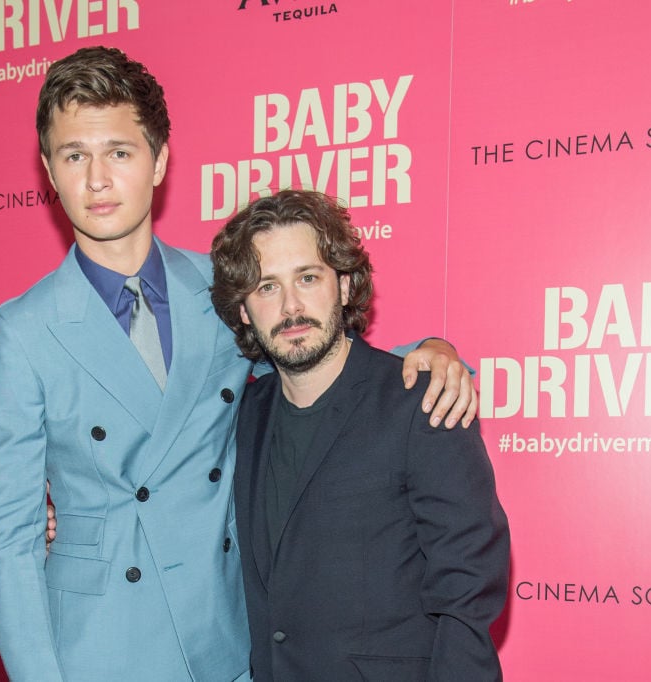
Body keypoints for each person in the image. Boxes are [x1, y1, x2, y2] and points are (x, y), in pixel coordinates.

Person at [0, 46, 476, 681]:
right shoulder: (23, 331)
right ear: (49, 169)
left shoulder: (220, 287)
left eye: (119, 153)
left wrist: (429, 358)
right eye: (75, 156)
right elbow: (9, 539)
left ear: (158, 161)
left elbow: (305, 361)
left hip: (227, 634)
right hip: (101, 649)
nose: (97, 179)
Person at [210, 189, 510, 681]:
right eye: (266, 287)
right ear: (244, 311)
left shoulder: (419, 400)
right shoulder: (243, 415)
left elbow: (468, 589)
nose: (290, 306)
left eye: (308, 278)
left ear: (345, 286)